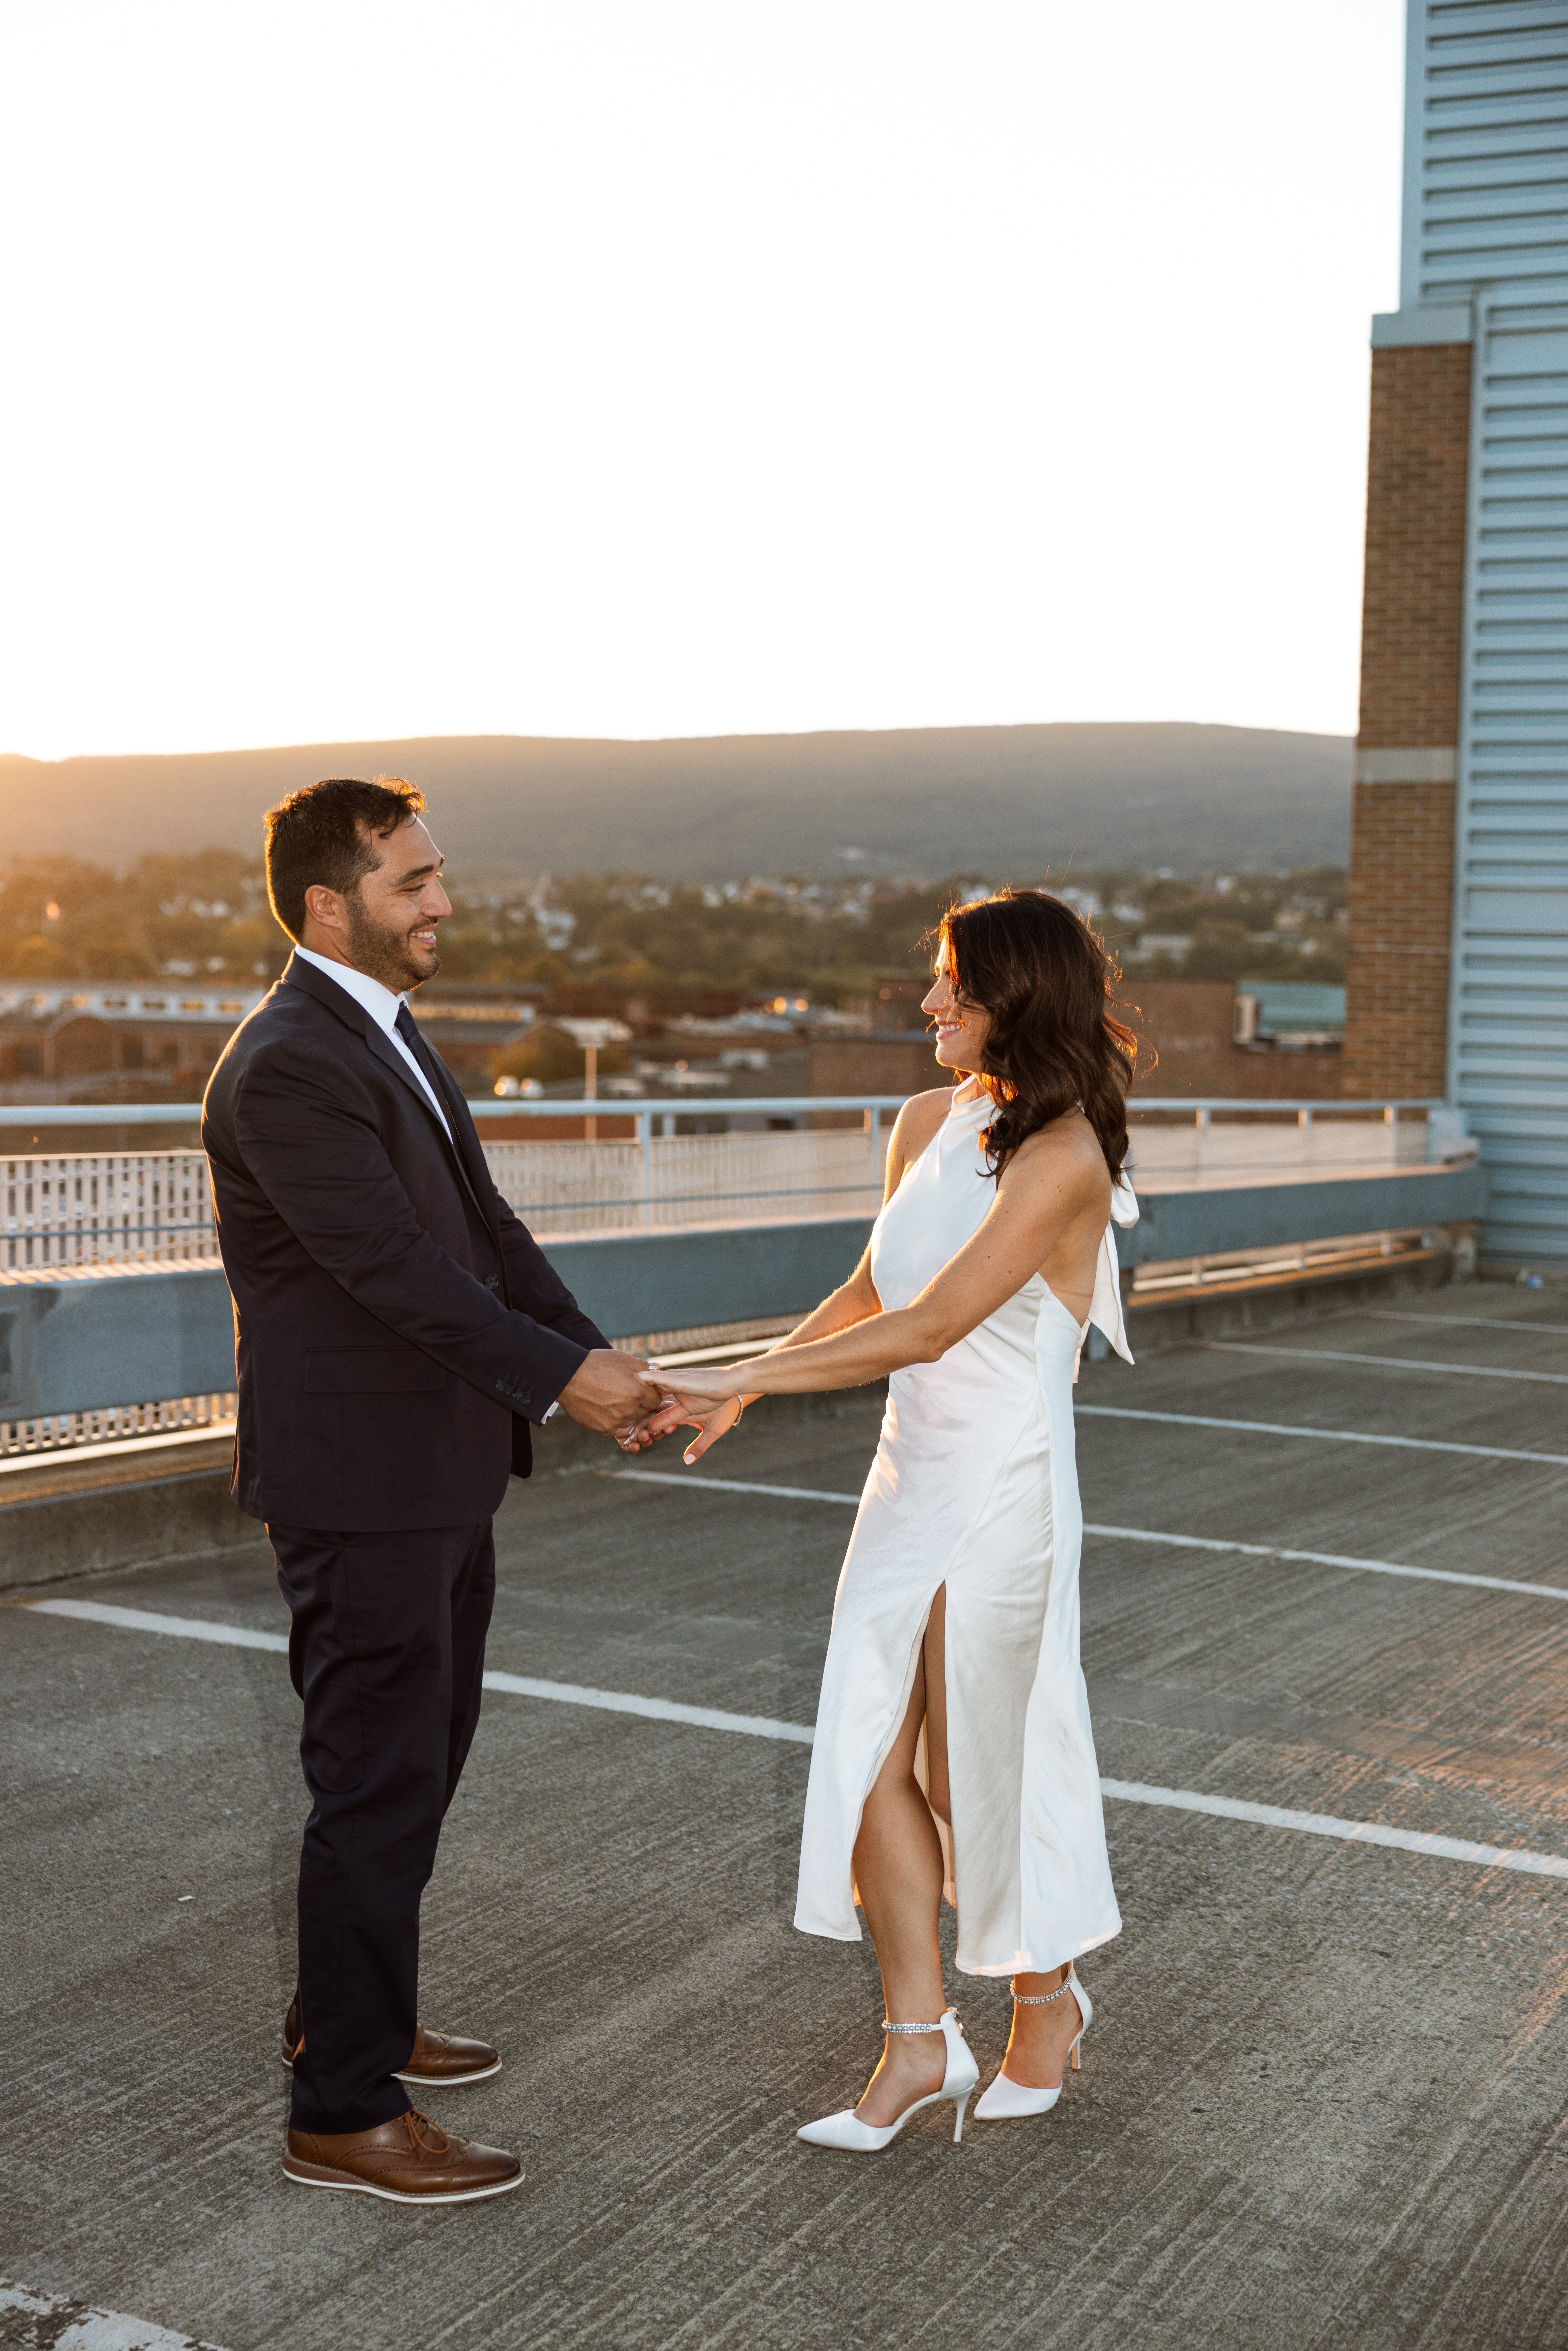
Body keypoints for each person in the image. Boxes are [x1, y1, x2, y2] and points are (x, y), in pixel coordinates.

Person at [202, 776, 663, 2206]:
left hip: (437, 1472)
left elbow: (485, 1230)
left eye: (438, 874)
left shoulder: (383, 1035)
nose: (442, 901)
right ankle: (341, 2107)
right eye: (413, 882)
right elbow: (393, 1270)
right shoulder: (287, 1062)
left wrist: (593, 1361)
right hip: (363, 1486)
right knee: (376, 1781)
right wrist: (562, 1381)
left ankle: (353, 2015)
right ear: (331, 903)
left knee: (417, 1765)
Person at [647, 889, 1138, 2150]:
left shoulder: (1064, 1156)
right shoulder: (926, 1117)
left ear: (1016, 999)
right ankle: (918, 2042)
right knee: (869, 1748)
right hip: (908, 1471)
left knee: (976, 1757)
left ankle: (1045, 1997)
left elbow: (930, 1326)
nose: (927, 1004)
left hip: (1004, 1486)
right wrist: (750, 1385)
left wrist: (736, 1375)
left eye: (953, 987)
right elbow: (873, 1286)